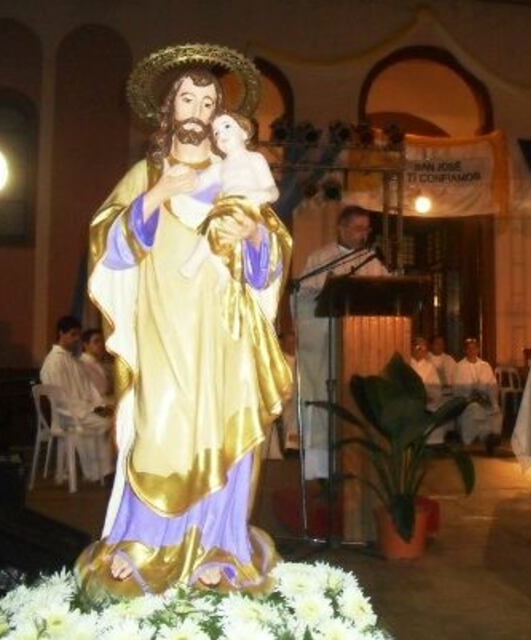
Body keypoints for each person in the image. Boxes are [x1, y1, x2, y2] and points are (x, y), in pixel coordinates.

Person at [78, 55, 293, 597]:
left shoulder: (236, 178)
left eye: (207, 102)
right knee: (159, 428)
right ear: (167, 109)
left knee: (223, 431)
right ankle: (142, 542)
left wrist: (253, 237)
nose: (196, 111)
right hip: (162, 331)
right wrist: (159, 194)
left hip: (225, 334)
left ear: (220, 115)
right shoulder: (144, 175)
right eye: (186, 100)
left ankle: (222, 548)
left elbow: (272, 256)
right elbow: (109, 251)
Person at [296, 206, 388, 481]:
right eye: (359, 228)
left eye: (367, 229)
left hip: (361, 347)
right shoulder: (321, 258)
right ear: (342, 228)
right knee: (325, 397)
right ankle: (322, 469)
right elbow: (301, 296)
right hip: (326, 344)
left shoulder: (371, 260)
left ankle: (359, 464)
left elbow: (386, 292)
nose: (364, 235)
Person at [180, 112, 278, 279]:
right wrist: (181, 175)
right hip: (227, 209)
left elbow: (273, 191)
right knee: (214, 221)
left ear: (244, 132)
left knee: (221, 219)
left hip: (251, 207)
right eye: (216, 132)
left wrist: (261, 195)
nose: (221, 134)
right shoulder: (219, 167)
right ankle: (217, 269)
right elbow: (197, 184)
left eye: (226, 126)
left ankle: (195, 262)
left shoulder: (255, 159)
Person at [40, 316, 114, 484]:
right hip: (67, 415)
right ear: (61, 333)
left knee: (111, 419)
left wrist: (99, 406)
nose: (76, 339)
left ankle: (105, 470)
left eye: (78, 335)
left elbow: (88, 389)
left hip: (82, 409)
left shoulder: (72, 360)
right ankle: (98, 472)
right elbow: (62, 399)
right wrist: (90, 409)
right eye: (72, 335)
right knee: (105, 423)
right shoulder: (53, 362)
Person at [452, 338, 502, 453]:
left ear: (478, 350)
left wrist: (490, 398)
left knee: (495, 411)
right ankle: (480, 437)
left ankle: (492, 437)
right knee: (474, 409)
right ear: (465, 350)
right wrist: (470, 393)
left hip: (484, 399)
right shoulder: (459, 366)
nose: (472, 351)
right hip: (467, 401)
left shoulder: (485, 366)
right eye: (469, 348)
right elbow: (457, 388)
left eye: (474, 348)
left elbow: (492, 385)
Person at [80, 328, 114, 404]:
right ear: (86, 345)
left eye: (102, 341)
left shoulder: (97, 363)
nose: (101, 345)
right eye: (96, 341)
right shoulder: (82, 364)